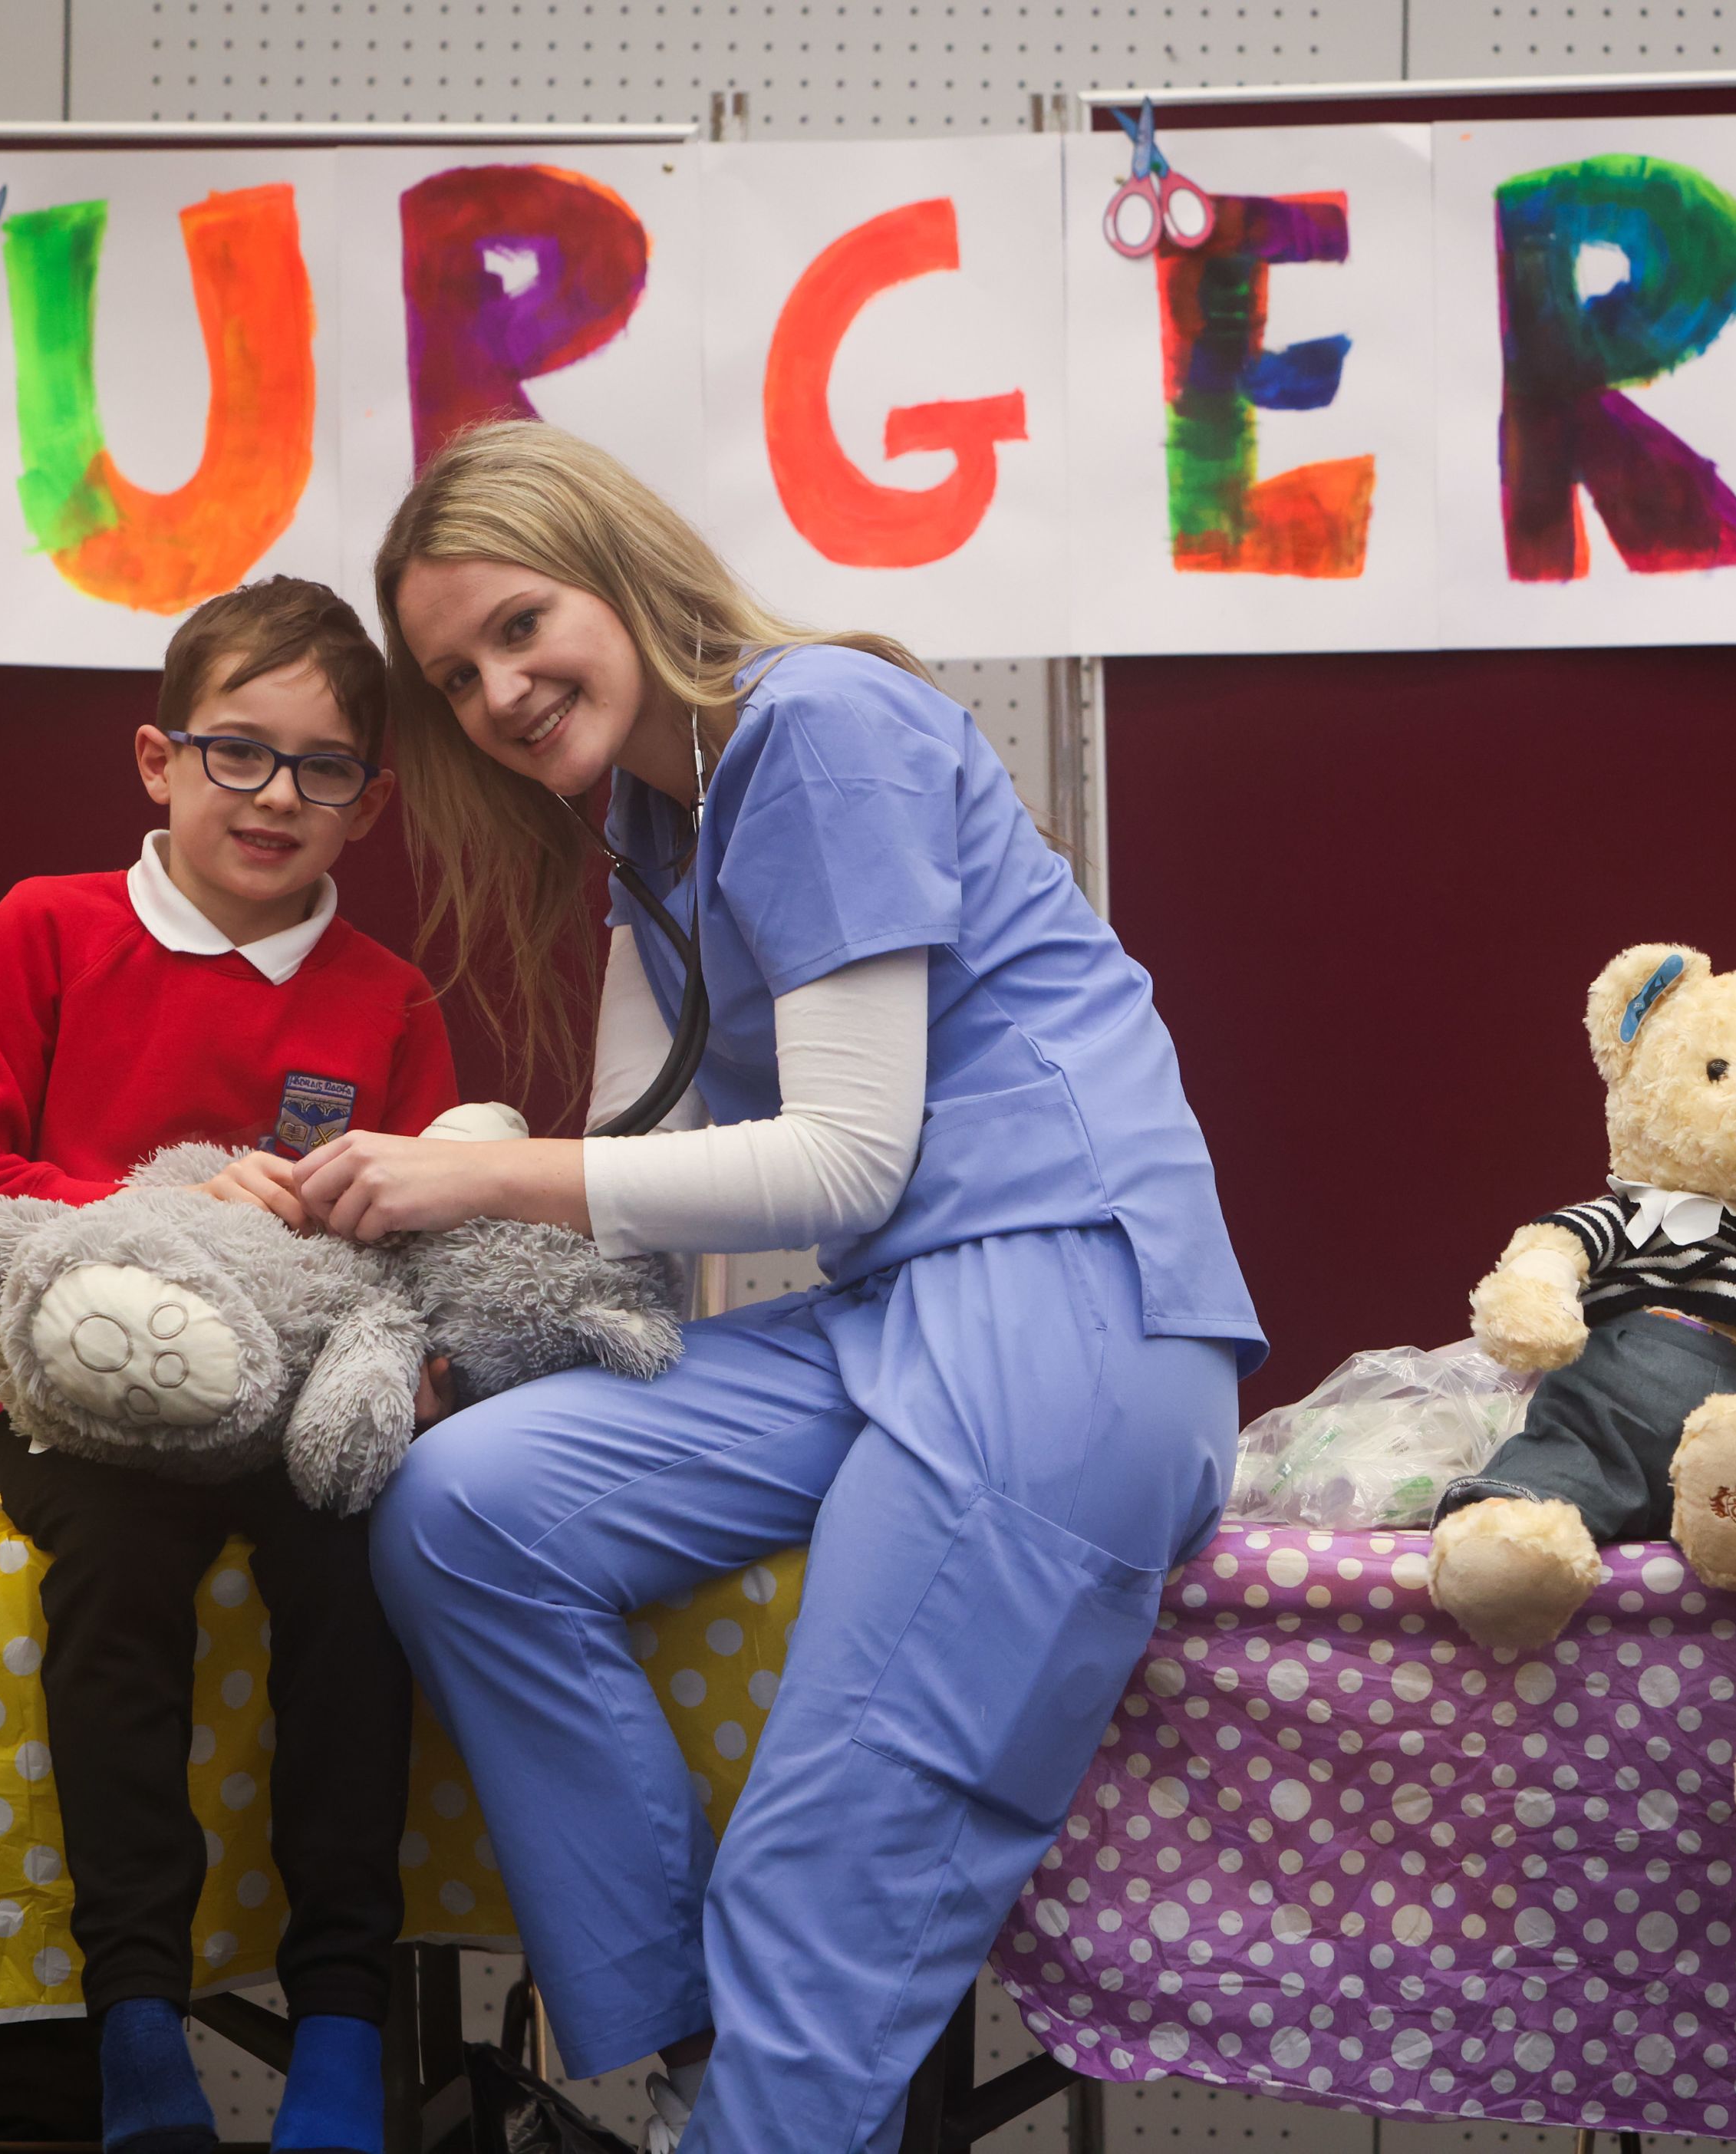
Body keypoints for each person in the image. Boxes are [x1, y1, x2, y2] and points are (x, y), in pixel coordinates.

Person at [292, 420, 1264, 2154]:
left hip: (1073, 1311)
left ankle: (763, 2111)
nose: (499, 692)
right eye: (453, 676)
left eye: (521, 626)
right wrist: (382, 1269)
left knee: (824, 1864)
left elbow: (842, 1164)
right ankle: (705, 2067)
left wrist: (471, 1173)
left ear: (619, 574)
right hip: (893, 1319)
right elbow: (627, 1185)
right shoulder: (648, 825)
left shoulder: (819, 727)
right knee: (462, 1511)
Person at [0, 577, 460, 2154]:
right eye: (237, 752)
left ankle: (339, 2027)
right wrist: (164, 1204)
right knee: (120, 1582)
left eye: (322, 768)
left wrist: (417, 1358)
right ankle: (137, 2026)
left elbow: (426, 1242)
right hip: (79, 1406)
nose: (275, 796)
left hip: (287, 1411)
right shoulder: (43, 930)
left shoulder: (391, 998)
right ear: (159, 760)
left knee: (358, 1582)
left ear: (368, 804)